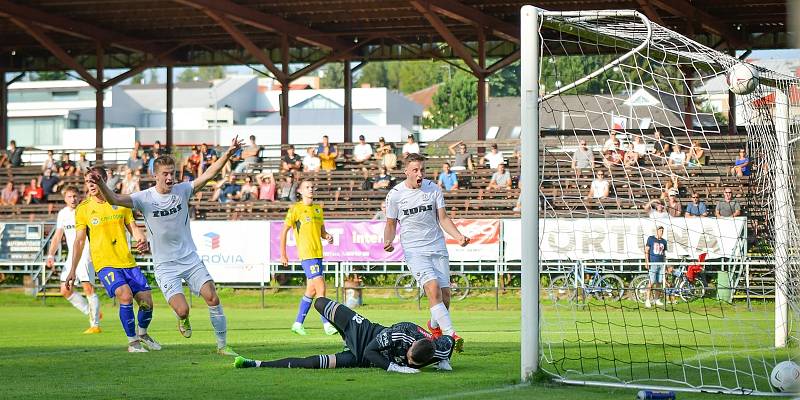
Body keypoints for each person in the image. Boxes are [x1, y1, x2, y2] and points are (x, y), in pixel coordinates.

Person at [88, 136, 243, 356]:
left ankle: (222, 346)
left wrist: (229, 153)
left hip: (190, 258)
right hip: (165, 265)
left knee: (212, 297)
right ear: (155, 175)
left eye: (173, 173)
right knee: (182, 309)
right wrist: (101, 183)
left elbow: (210, 174)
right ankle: (183, 319)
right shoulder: (144, 198)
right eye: (165, 174)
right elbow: (113, 199)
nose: (170, 177)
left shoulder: (183, 190)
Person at [65, 166, 157, 353]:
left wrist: (141, 238)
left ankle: (143, 334)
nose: (91, 185)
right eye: (88, 181)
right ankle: (133, 343)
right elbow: (79, 241)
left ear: (105, 179)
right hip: (105, 263)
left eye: (95, 180)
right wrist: (72, 270)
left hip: (127, 262)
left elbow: (133, 227)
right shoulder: (83, 209)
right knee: (125, 295)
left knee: (147, 303)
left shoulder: (121, 203)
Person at [383, 153, 469, 352]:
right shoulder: (395, 194)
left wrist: (458, 236)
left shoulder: (433, 189)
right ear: (406, 171)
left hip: (437, 247)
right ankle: (450, 334)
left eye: (422, 169)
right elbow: (390, 224)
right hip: (415, 250)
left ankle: (434, 327)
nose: (420, 173)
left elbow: (444, 218)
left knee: (445, 297)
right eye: (415, 170)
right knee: (432, 288)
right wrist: (388, 240)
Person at [234, 297, 455, 372]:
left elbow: (450, 341)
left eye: (411, 364)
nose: (408, 362)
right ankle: (333, 327)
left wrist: (444, 361)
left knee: (312, 364)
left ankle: (256, 363)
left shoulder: (436, 350)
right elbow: (371, 350)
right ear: (410, 347)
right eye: (408, 358)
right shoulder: (402, 330)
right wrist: (394, 367)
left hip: (360, 359)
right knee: (320, 303)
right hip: (363, 333)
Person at [279, 180, 338, 336]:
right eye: (307, 187)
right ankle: (327, 324)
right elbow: (284, 231)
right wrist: (283, 253)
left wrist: (328, 237)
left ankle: (298, 323)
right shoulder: (295, 209)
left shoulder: (318, 209)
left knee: (311, 290)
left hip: (318, 254)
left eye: (312, 187)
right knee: (321, 288)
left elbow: (322, 232)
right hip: (307, 255)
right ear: (300, 191)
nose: (310, 189)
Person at [45, 186, 101, 333]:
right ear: (65, 198)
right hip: (72, 255)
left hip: (86, 253)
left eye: (75, 196)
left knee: (87, 287)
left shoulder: (85, 209)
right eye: (70, 196)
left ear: (79, 197)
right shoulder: (63, 214)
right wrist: (50, 254)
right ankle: (91, 311)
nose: (73, 199)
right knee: (65, 290)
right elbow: (58, 236)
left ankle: (95, 325)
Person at [644, 226, 668, 308]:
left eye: (662, 231)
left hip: (661, 264)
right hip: (653, 263)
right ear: (657, 231)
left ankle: (657, 299)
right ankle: (647, 300)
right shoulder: (651, 239)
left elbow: (664, 254)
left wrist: (665, 265)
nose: (661, 232)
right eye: (660, 231)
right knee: (652, 281)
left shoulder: (664, 241)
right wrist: (647, 261)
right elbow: (646, 250)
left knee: (660, 282)